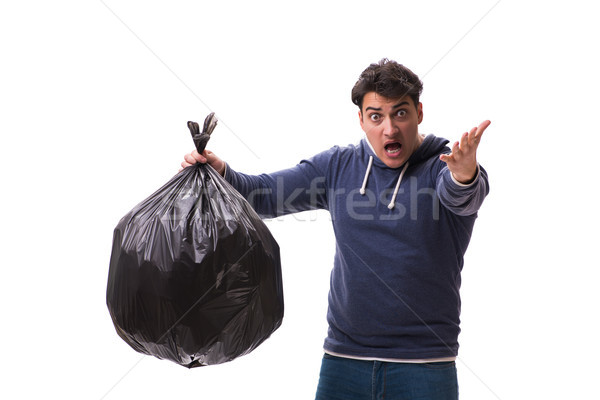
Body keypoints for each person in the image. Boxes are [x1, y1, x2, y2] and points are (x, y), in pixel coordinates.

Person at [181, 58, 490, 400]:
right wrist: (220, 170)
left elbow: (463, 196)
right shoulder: (338, 167)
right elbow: (264, 196)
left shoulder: (443, 167)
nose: (389, 129)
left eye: (400, 113)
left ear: (419, 112)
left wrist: (464, 174)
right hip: (344, 363)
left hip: (425, 367)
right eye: (376, 116)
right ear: (361, 119)